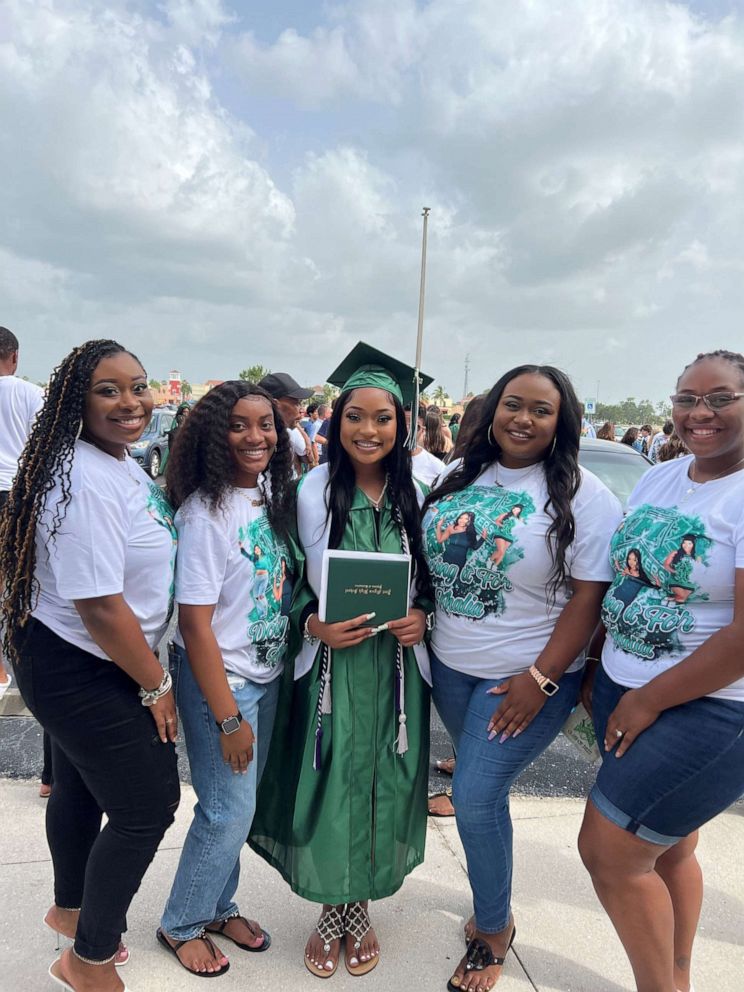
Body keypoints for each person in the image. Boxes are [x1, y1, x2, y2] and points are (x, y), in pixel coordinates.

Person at [421, 364, 622, 992]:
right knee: (483, 793)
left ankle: (493, 926)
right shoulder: (461, 475)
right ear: (493, 410)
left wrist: (542, 677)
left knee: (476, 797)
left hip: (526, 676)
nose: (523, 418)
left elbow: (590, 597)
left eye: (541, 409)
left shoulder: (585, 494)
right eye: (513, 404)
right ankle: (492, 909)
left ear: (561, 421)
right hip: (451, 668)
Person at [250, 342, 435, 979]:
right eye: (355, 416)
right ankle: (334, 911)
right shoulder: (307, 493)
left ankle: (360, 907)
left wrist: (424, 617)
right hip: (330, 668)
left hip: (396, 672)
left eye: (383, 418)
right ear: (336, 420)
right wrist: (313, 623)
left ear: (402, 425)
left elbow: (441, 581)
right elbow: (286, 577)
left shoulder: (426, 492)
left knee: (386, 781)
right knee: (330, 779)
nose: (368, 430)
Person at [0, 339, 180, 992]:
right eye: (108, 390)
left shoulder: (113, 461)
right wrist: (156, 684)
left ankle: (70, 910)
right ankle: (87, 959)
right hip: (81, 661)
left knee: (78, 783)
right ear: (77, 403)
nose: (130, 401)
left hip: (79, 652)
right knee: (147, 805)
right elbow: (101, 606)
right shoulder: (84, 482)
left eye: (138, 385)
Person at [578, 349, 744, 992]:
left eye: (721, 398)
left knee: (611, 853)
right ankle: (677, 975)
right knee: (669, 846)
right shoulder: (660, 477)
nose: (700, 413)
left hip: (710, 706)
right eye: (686, 398)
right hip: (624, 684)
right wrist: (598, 666)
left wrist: (647, 701)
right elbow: (624, 577)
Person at [157, 381, 297, 977]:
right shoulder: (204, 513)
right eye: (239, 425)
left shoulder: (273, 494)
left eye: (265, 423)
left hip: (264, 674)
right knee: (224, 810)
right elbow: (194, 625)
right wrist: (229, 716)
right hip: (223, 680)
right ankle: (181, 923)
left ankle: (217, 906)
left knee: (237, 807)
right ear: (216, 435)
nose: (256, 436)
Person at [0, 326, 44, 700]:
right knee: (24, 583)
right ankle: (26, 662)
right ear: (14, 357)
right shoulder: (30, 394)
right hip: (18, 495)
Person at [258, 372, 315, 475]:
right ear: (275, 405)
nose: (301, 409)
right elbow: (309, 458)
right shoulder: (256, 442)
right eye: (296, 403)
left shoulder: (288, 433)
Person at [404, 401, 446, 486]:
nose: (407, 431)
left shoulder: (437, 468)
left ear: (423, 430)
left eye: (415, 427)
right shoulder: (379, 460)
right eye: (401, 425)